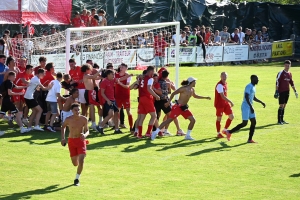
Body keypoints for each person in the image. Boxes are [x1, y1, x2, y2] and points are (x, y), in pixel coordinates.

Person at [225, 75, 265, 143]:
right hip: (246, 107)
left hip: (250, 106)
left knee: (253, 122)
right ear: (253, 79)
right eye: (257, 79)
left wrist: (261, 102)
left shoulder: (253, 87)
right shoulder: (249, 86)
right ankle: (229, 132)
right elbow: (246, 97)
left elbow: (253, 97)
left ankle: (250, 139)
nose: (258, 80)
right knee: (244, 123)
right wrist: (251, 106)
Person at [61, 103, 89, 186]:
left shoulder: (84, 119)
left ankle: (77, 179)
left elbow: (87, 130)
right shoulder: (68, 119)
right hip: (71, 141)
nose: (77, 111)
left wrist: (85, 135)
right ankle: (78, 164)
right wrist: (63, 138)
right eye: (75, 110)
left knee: (81, 161)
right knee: (75, 163)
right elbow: (63, 127)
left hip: (81, 141)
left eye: (78, 110)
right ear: (72, 111)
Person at [136, 66, 160, 138]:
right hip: (147, 98)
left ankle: (139, 134)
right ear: (151, 71)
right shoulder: (150, 79)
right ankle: (148, 133)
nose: (154, 73)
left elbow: (138, 79)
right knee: (154, 116)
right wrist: (156, 96)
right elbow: (149, 88)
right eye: (153, 71)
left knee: (141, 117)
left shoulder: (142, 78)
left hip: (141, 98)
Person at [274, 60, 298, 124]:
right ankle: (279, 120)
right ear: (284, 65)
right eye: (286, 65)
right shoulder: (281, 73)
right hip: (281, 91)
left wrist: (295, 91)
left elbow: (291, 82)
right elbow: (277, 82)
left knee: (284, 105)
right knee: (281, 105)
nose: (287, 67)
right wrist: (276, 91)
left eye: (289, 65)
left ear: (290, 65)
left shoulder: (289, 73)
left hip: (287, 91)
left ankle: (282, 119)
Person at [214, 72, 234, 138]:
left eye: (225, 76)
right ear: (220, 76)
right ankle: (218, 133)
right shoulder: (219, 85)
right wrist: (230, 101)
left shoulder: (225, 83)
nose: (224, 77)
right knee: (219, 119)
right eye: (222, 76)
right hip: (219, 104)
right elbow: (222, 96)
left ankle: (225, 130)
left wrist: (228, 102)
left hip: (225, 103)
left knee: (231, 116)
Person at [81, 64, 101, 131]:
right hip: (89, 92)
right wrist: (99, 71)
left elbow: (96, 77)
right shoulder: (86, 75)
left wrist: (102, 76)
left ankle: (93, 123)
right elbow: (94, 76)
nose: (91, 70)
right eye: (90, 69)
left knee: (93, 108)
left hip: (91, 92)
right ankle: (93, 124)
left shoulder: (88, 76)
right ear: (87, 70)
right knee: (92, 108)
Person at [115, 63, 134, 131]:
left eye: (123, 67)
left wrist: (119, 83)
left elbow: (127, 86)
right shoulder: (116, 74)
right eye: (121, 67)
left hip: (125, 95)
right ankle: (117, 127)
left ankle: (131, 127)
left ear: (126, 68)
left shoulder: (128, 75)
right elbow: (116, 81)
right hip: (118, 95)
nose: (121, 68)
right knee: (117, 111)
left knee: (128, 111)